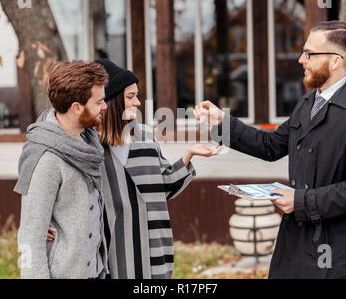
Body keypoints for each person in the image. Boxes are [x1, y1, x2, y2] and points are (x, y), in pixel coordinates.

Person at [194, 21, 346, 279]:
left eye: (309, 53)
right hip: (293, 247)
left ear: (335, 61)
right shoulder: (307, 102)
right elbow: (271, 146)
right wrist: (223, 123)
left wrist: (300, 201)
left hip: (336, 256)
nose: (301, 60)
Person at [46, 58, 223, 279]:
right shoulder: (89, 147)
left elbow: (164, 185)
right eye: (130, 97)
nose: (138, 102)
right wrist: (48, 222)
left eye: (136, 96)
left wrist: (189, 154)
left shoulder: (146, 137)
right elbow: (67, 191)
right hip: (113, 257)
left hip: (154, 250)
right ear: (110, 101)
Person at [14, 60, 109, 279]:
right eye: (99, 102)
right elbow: (30, 237)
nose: (104, 107)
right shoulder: (47, 159)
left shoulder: (88, 143)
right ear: (77, 107)